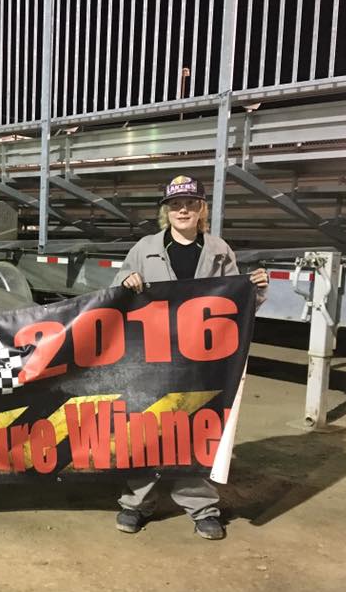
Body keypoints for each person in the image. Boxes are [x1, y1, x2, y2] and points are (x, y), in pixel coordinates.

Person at [112, 175, 269, 540]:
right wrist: (126, 282)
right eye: (175, 205)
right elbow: (116, 292)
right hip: (152, 357)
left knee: (194, 429)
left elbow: (233, 305)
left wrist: (256, 291)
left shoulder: (219, 250)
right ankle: (136, 503)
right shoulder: (145, 249)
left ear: (201, 209)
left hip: (201, 359)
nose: (183, 210)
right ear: (166, 211)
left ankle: (202, 507)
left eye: (191, 204)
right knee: (146, 427)